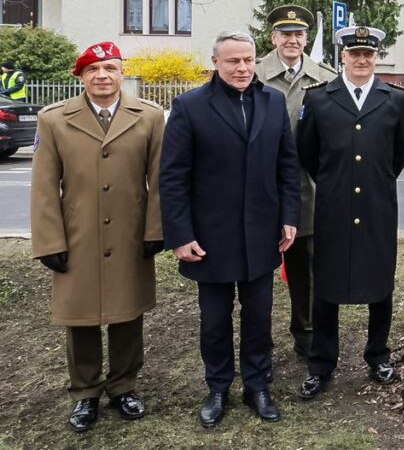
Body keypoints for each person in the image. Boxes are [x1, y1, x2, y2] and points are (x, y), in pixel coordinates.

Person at [160, 31, 300, 427]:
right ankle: (218, 386)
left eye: (249, 60)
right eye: (233, 61)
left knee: (259, 316)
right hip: (210, 238)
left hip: (262, 234)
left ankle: (258, 385)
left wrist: (290, 217)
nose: (242, 68)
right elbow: (173, 177)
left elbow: (286, 166)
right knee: (215, 319)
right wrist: (180, 234)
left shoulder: (272, 102)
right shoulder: (189, 106)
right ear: (215, 63)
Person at [30, 42, 165, 432]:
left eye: (109, 68)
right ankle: (85, 393)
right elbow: (43, 186)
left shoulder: (150, 116)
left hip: (129, 232)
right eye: (93, 70)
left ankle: (124, 386)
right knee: (81, 317)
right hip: (78, 234)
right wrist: (50, 242)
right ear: (82, 77)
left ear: (122, 73)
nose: (102, 75)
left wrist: (155, 229)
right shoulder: (53, 119)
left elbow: (158, 180)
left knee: (128, 312)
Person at [297, 25, 404, 399]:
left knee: (380, 284)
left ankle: (378, 355)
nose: (361, 60)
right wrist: (336, 183)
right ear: (342, 57)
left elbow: (400, 152)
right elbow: (308, 154)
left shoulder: (394, 99)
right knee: (326, 287)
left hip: (378, 208)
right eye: (354, 54)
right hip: (332, 208)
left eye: (369, 54)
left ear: (376, 57)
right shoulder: (318, 99)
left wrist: (374, 181)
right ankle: (321, 363)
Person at [255, 5, 337, 360]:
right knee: (256, 269)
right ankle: (258, 340)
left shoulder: (325, 76)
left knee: (308, 264)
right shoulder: (254, 73)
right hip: (260, 184)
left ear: (305, 39)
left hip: (309, 186)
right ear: (273, 38)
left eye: (298, 34)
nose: (292, 40)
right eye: (285, 34)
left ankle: (307, 332)